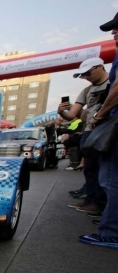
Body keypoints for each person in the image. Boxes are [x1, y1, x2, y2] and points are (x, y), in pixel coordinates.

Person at [79, 13, 118, 249]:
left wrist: (100, 116)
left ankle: (110, 232)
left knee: (111, 179)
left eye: (117, 28)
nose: (114, 32)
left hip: (112, 123)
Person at [58, 57, 110, 215]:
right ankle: (93, 201)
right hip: (90, 131)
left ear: (99, 67)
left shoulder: (112, 82)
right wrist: (61, 111)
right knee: (91, 168)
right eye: (83, 75)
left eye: (87, 73)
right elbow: (73, 115)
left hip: (108, 128)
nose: (86, 77)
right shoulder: (87, 91)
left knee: (106, 170)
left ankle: (103, 205)